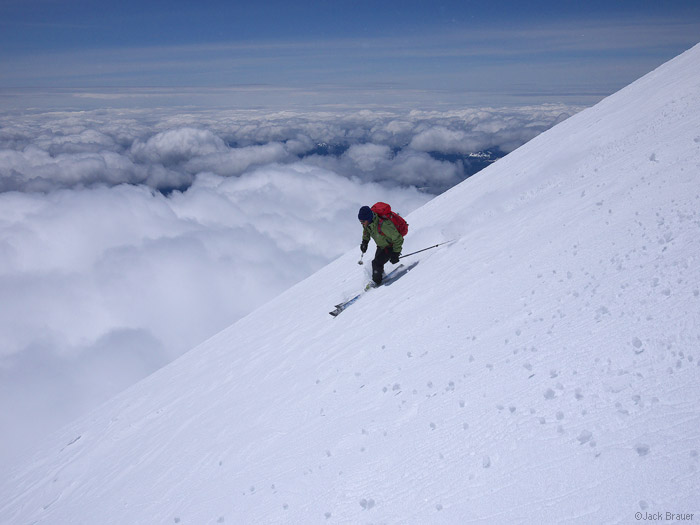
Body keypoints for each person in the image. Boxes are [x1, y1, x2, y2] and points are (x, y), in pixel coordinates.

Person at [358, 205, 403, 285]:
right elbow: (366, 231)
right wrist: (365, 242)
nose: (362, 223)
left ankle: (376, 282)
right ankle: (380, 275)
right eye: (360, 221)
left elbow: (398, 238)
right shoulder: (367, 223)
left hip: (390, 246)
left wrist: (396, 253)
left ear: (368, 218)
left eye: (363, 221)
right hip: (381, 246)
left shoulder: (384, 225)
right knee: (377, 263)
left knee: (376, 263)